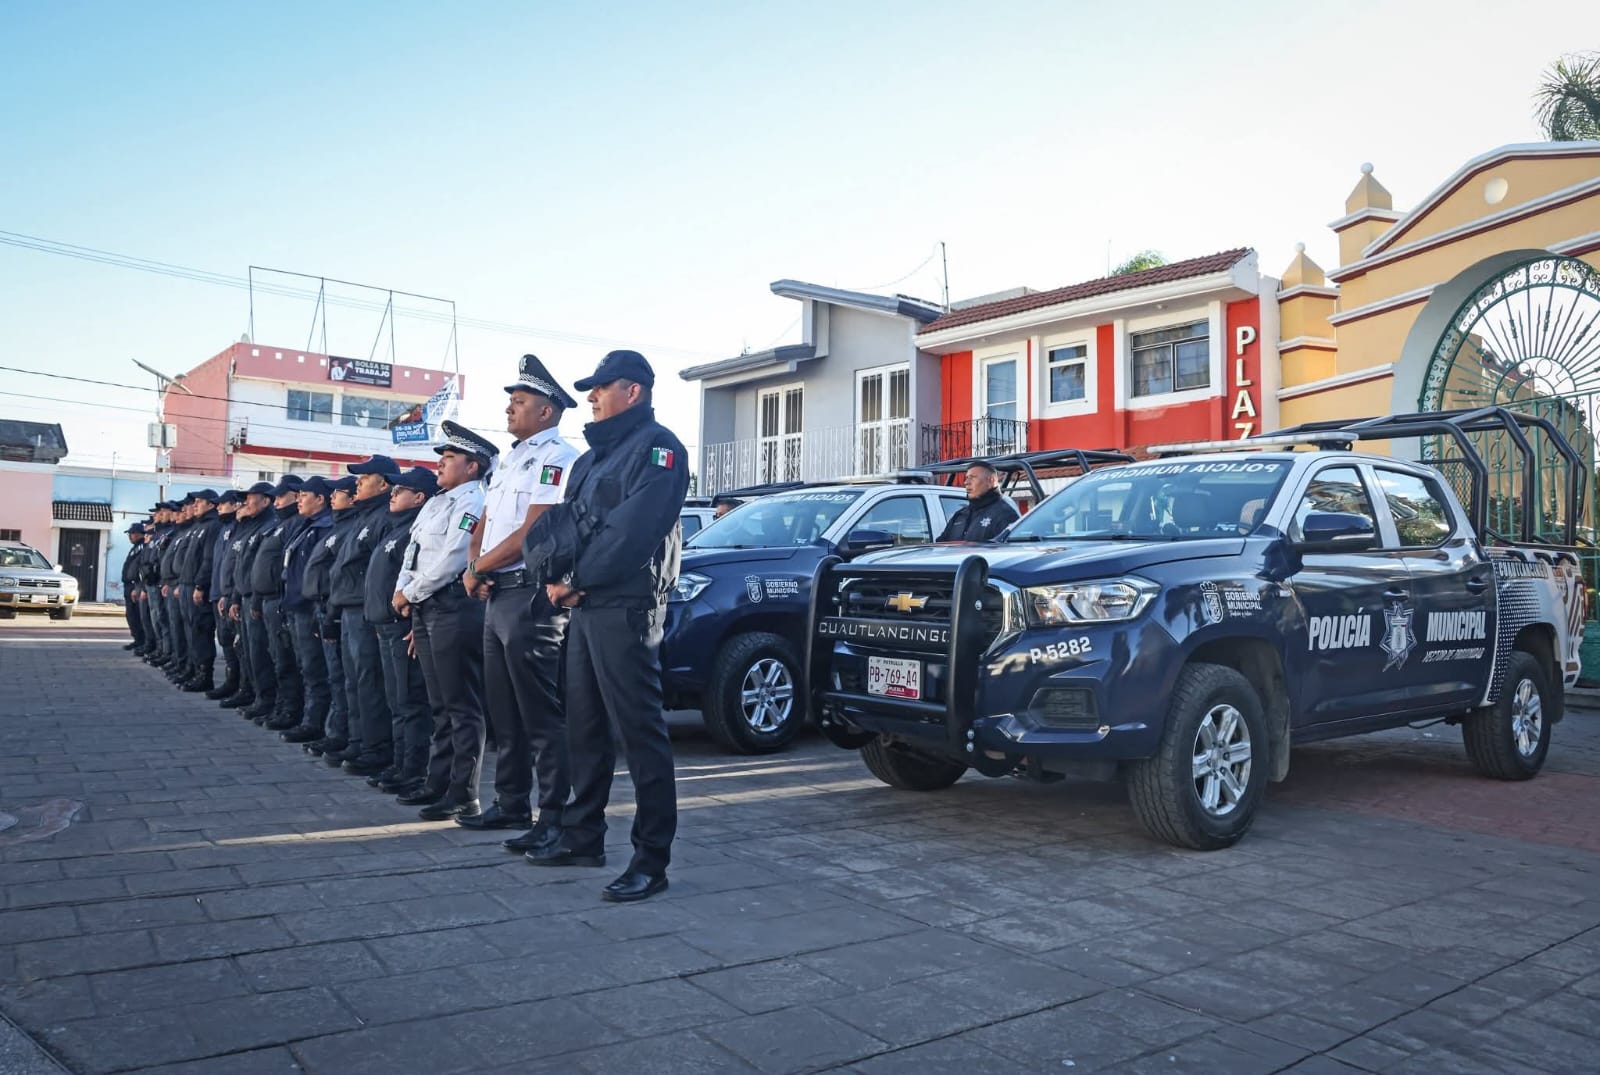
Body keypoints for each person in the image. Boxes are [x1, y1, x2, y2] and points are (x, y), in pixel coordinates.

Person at [523, 349, 689, 904]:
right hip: (585, 602)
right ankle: (582, 835)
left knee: (639, 734)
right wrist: (556, 576)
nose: (591, 398)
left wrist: (580, 580)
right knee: (584, 726)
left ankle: (650, 859)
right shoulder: (592, 460)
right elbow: (566, 526)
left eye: (600, 388)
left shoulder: (660, 449)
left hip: (625, 603)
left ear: (633, 391)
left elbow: (633, 531)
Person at [454, 355, 579, 834]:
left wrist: (477, 567)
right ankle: (510, 803)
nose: (510, 409)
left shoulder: (557, 458)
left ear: (545, 411)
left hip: (528, 597)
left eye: (519, 401)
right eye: (510, 401)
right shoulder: (510, 460)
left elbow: (533, 530)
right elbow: (485, 522)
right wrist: (474, 564)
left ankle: (552, 814)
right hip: (496, 594)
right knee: (503, 709)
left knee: (540, 715)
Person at [394, 420, 495, 815]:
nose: (440, 464)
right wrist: (402, 591)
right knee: (439, 703)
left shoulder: (473, 502)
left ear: (472, 466)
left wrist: (410, 592)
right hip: (426, 606)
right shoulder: (437, 502)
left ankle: (463, 793)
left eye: (450, 458)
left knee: (461, 704)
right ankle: (437, 783)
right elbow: (413, 552)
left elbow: (454, 558)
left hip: (453, 606)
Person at [326, 456, 399, 775]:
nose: (357, 483)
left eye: (364, 478)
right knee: (353, 680)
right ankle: (358, 740)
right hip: (349, 608)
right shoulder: (362, 517)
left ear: (383, 483)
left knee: (370, 682)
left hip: (366, 610)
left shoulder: (385, 516)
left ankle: (376, 747)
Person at [366, 466, 435, 796]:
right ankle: (399, 762)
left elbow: (426, 578)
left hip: (404, 628)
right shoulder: (396, 529)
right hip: (385, 626)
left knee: (410, 702)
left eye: (400, 490)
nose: (392, 494)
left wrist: (416, 624)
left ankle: (413, 769)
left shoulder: (414, 530)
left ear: (419, 497)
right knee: (396, 701)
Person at [305, 476, 358, 758]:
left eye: (338, 493)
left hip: (338, 608)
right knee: (335, 675)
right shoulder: (336, 526)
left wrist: (331, 612)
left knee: (341, 677)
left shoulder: (348, 527)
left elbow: (341, 574)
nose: (333, 498)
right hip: (325, 606)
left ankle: (341, 734)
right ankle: (337, 732)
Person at [281, 477, 336, 744]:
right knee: (304, 665)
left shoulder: (325, 527)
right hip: (295, 605)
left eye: (305, 495)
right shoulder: (306, 526)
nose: (299, 499)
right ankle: (307, 717)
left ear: (321, 499)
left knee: (315, 668)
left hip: (308, 607)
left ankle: (314, 722)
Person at [249, 476, 307, 728]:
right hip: (266, 599)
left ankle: (289, 710)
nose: (277, 501)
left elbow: (288, 567)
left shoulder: (296, 523)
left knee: (286, 660)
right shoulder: (278, 525)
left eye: (282, 496)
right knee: (272, 656)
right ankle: (276, 705)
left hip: (280, 600)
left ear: (295, 495)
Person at [178, 490, 224, 692]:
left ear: (211, 505)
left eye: (199, 502)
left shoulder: (213, 526)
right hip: (187, 584)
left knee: (200, 630)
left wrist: (200, 586)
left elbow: (207, 560)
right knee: (190, 630)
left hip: (198, 588)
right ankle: (194, 670)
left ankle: (205, 675)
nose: (195, 505)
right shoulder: (199, 526)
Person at [205, 492, 243, 701]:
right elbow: (219, 563)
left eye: (222, 504)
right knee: (225, 640)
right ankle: (232, 681)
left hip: (230, 593)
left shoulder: (238, 527)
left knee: (236, 643)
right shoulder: (225, 529)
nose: (218, 507)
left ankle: (239, 684)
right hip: (219, 592)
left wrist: (229, 593)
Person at [937, 462, 1019, 542]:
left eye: (973, 477)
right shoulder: (960, 515)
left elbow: (1009, 551)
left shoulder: (1005, 515)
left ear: (991, 480)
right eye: (967, 478)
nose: (966, 482)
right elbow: (940, 546)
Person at [121, 522, 147, 652]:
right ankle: (137, 639)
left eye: (132, 534)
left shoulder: (142, 546)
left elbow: (140, 567)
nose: (130, 536)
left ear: (138, 534)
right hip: (129, 585)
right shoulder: (136, 547)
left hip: (134, 585)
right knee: (131, 615)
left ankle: (142, 640)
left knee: (136, 615)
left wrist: (136, 586)